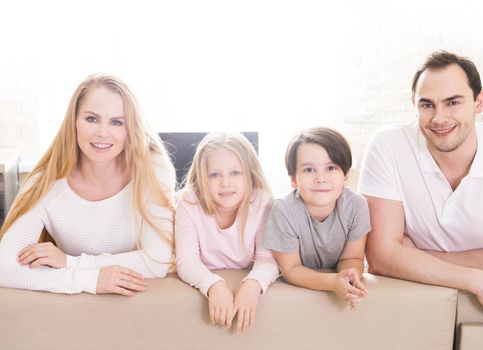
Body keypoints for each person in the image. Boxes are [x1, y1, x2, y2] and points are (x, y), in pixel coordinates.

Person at [359, 51, 483, 322]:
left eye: (452, 102)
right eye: (427, 105)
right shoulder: (387, 146)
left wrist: (414, 257)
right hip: (414, 304)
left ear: (479, 101)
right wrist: (475, 279)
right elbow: (380, 257)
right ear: (414, 105)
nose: (439, 118)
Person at [0, 74, 175, 296]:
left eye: (117, 122)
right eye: (91, 119)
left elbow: (156, 261)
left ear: (130, 129)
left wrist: (71, 263)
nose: (103, 132)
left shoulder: (152, 168)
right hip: (75, 308)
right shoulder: (46, 182)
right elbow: (4, 267)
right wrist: (90, 280)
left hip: (136, 304)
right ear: (73, 122)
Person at [175, 132, 278, 334]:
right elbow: (186, 261)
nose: (225, 183)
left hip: (246, 274)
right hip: (207, 275)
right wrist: (213, 285)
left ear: (250, 173)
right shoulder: (188, 203)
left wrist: (253, 284)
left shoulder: (263, 202)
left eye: (235, 173)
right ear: (202, 177)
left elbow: (268, 258)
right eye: (214, 175)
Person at [264, 127, 370, 309]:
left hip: (337, 272)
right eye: (309, 170)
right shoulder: (283, 210)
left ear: (345, 176)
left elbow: (352, 257)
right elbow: (291, 270)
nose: (321, 178)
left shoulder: (356, 206)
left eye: (331, 168)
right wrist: (331, 282)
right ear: (293, 179)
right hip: (306, 275)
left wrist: (348, 276)